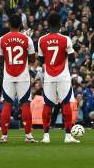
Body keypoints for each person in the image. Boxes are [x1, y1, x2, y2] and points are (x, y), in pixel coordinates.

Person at [37, 11, 79, 143]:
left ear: (48, 24)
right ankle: (67, 136)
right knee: (66, 104)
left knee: (47, 105)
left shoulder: (41, 40)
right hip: (63, 76)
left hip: (49, 76)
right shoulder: (65, 39)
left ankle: (45, 136)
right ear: (60, 24)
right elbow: (72, 58)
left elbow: (41, 59)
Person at [0, 14, 36, 143]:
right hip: (23, 75)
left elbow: (1, 59)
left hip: (8, 75)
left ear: (9, 25)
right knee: (25, 105)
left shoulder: (2, 39)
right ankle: (28, 136)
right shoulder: (26, 39)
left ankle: (4, 136)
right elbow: (32, 59)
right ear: (21, 25)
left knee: (7, 105)